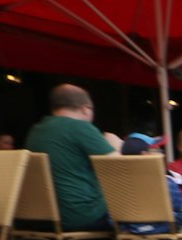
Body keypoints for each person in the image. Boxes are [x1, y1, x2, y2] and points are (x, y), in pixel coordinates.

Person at [25, 84, 115, 231]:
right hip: (78, 215)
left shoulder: (36, 130)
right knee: (135, 203)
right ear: (86, 108)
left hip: (39, 218)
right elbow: (120, 168)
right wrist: (116, 146)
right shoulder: (80, 127)